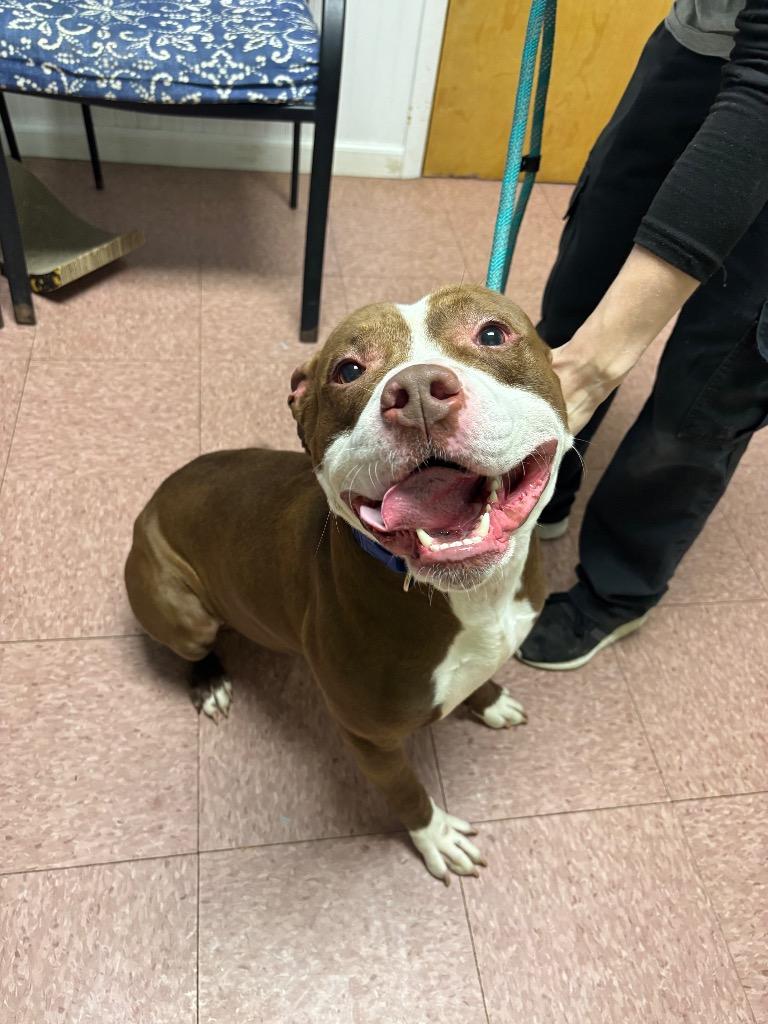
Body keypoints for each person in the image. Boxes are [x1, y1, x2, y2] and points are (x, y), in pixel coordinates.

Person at [517, 0, 768, 670]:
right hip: (695, 47)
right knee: (580, 290)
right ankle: (547, 489)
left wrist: (596, 366)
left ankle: (617, 592)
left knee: (710, 387)